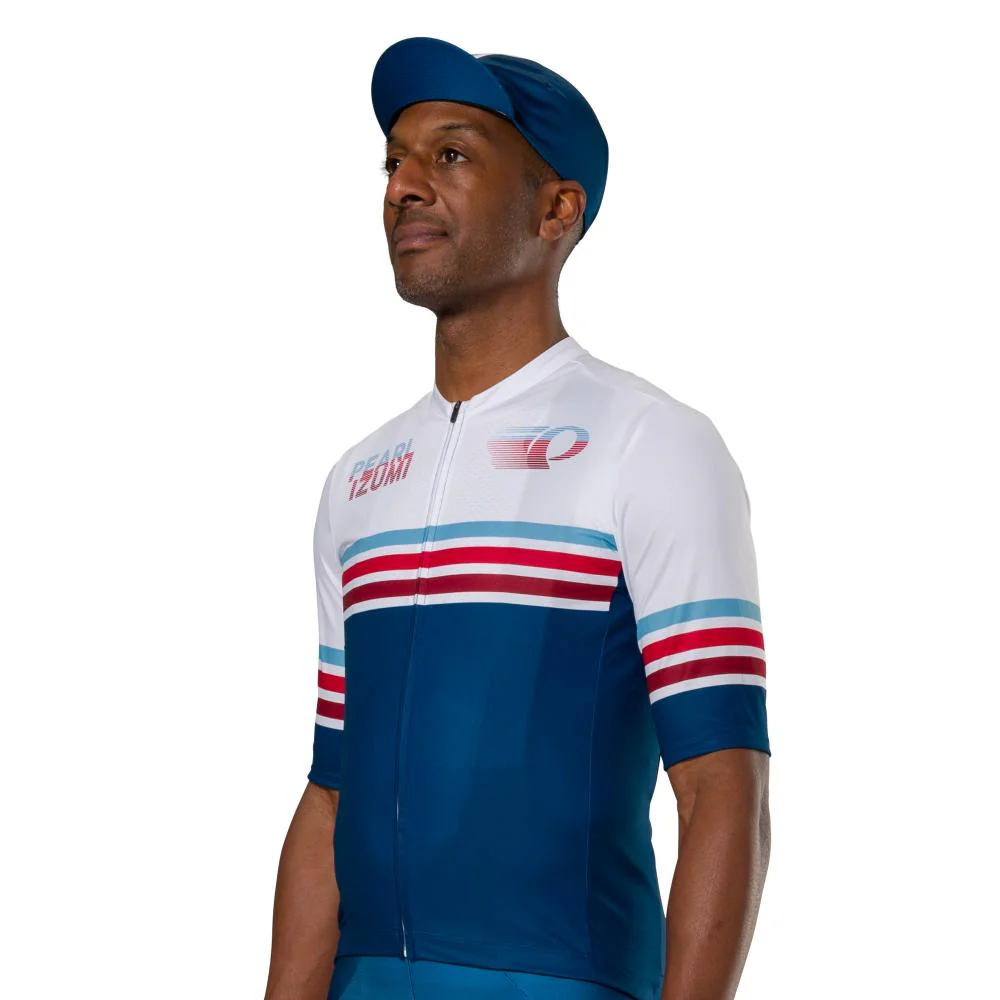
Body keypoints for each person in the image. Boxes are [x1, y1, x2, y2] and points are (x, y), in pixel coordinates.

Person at [264, 36, 770, 1000]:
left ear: (556, 209)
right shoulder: (357, 480)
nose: (404, 185)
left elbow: (721, 787)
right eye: (394, 161)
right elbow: (330, 794)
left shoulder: (651, 442)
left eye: (451, 155)